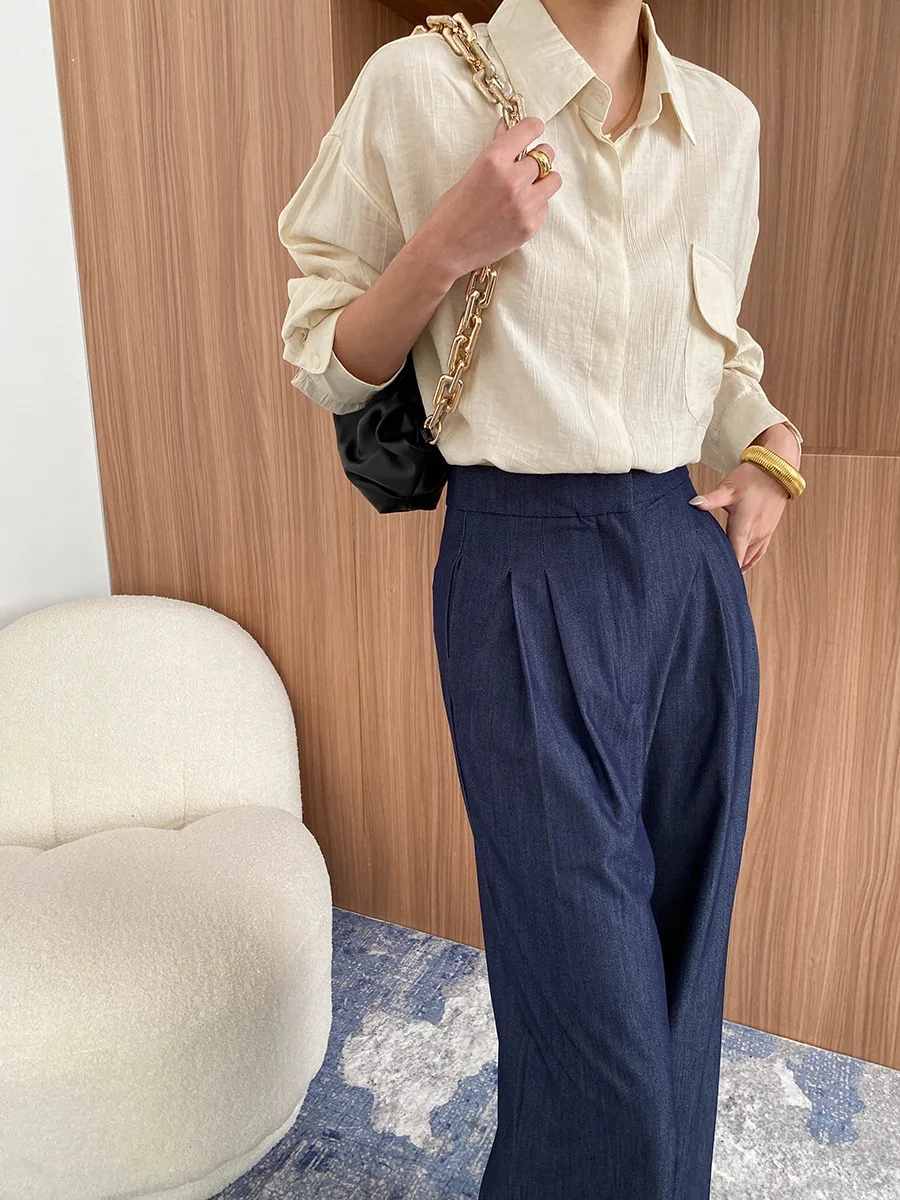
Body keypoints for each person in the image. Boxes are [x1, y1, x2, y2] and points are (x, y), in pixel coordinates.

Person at [277, 0, 805, 1195]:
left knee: (680, 977)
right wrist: (444, 245)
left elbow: (716, 351)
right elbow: (324, 357)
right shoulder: (417, 86)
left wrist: (769, 443)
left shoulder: (723, 123)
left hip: (686, 568)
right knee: (594, 1025)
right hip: (522, 565)